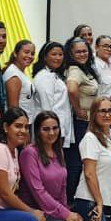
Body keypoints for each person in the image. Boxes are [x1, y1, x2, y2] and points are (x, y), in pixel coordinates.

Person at [20, 111, 86, 221]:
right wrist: (65, 214)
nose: (51, 133)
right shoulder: (29, 153)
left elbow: (62, 187)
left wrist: (66, 212)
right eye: (46, 129)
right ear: (37, 131)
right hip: (36, 214)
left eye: (55, 128)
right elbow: (38, 191)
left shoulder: (58, 150)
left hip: (54, 212)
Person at [33, 41, 77, 198]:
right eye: (54, 54)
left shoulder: (55, 75)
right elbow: (47, 109)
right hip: (51, 132)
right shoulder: (44, 77)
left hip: (59, 130)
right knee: (48, 169)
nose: (58, 58)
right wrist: (52, 132)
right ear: (45, 57)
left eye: (60, 54)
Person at [65, 37, 99, 201]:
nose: (82, 54)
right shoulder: (75, 70)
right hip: (81, 123)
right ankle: (70, 201)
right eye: (78, 51)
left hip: (89, 122)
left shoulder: (85, 69)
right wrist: (79, 111)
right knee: (77, 162)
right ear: (71, 54)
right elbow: (71, 89)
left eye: (85, 50)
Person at [5, 40, 38, 117]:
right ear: (15, 54)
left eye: (32, 54)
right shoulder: (14, 75)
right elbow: (13, 108)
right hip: (20, 123)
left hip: (26, 121)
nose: (30, 56)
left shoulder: (20, 72)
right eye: (26, 52)